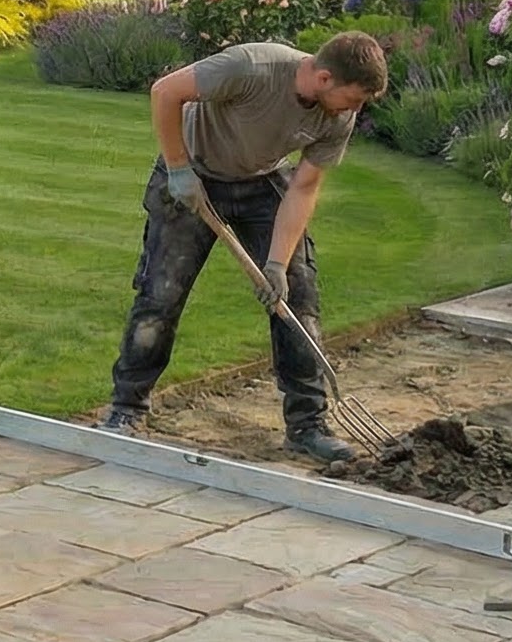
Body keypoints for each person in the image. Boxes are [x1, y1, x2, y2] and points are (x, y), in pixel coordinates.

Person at [103, 30, 388, 464]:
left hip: (262, 182)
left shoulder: (338, 117)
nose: (356, 110)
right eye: (353, 99)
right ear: (325, 77)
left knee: (298, 298)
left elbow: (304, 187)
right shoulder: (252, 67)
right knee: (161, 295)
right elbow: (166, 92)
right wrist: (179, 170)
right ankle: (126, 409)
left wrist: (276, 262)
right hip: (192, 173)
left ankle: (307, 423)